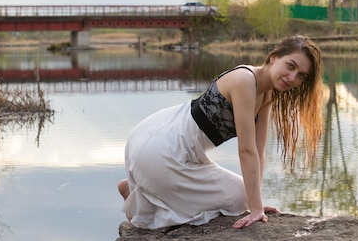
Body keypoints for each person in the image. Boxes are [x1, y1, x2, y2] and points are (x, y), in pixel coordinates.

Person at [118, 35, 324, 230]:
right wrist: (255, 208)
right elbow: (246, 151)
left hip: (169, 143)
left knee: (243, 196)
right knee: (240, 198)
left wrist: (256, 204)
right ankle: (141, 196)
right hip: (164, 147)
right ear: (274, 57)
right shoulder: (245, 80)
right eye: (290, 66)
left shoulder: (266, 95)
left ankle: (137, 189)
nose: (292, 77)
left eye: (300, 76)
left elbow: (258, 151)